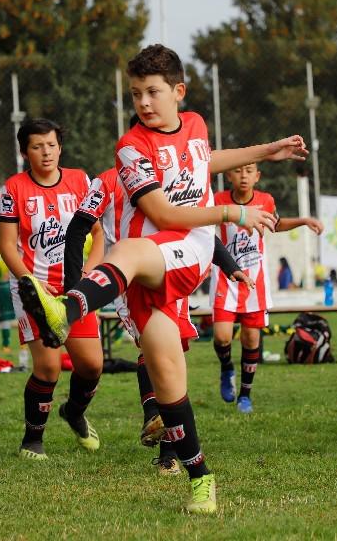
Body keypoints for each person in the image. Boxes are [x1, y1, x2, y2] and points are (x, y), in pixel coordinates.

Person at [16, 44, 308, 513]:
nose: (144, 103)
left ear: (179, 91)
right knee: (168, 381)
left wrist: (265, 151)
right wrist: (235, 209)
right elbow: (159, 210)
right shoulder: (130, 146)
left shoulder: (194, 126)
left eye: (152, 92)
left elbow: (202, 162)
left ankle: (67, 310)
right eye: (135, 95)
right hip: (140, 285)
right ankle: (201, 480)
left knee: (127, 249)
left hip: (183, 251)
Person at [62, 164, 252, 475]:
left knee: (172, 358)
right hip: (129, 280)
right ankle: (156, 421)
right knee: (156, 354)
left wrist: (229, 265)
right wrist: (75, 290)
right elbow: (78, 227)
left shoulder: (169, 179)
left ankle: (168, 451)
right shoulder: (107, 181)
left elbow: (194, 229)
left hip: (171, 272)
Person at [0, 118, 106, 462]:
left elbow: (99, 234)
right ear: (24, 151)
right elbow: (7, 245)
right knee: (48, 368)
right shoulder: (13, 188)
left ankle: (73, 412)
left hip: (77, 288)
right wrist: (29, 281)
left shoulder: (81, 181)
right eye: (36, 146)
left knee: (91, 367)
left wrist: (91, 270)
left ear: (60, 147)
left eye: (51, 145)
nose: (45, 152)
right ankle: (33, 439)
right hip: (35, 291)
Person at [210, 163, 324, 413]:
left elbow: (277, 224)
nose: (243, 176)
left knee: (252, 339)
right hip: (225, 280)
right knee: (222, 336)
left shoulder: (265, 200)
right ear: (228, 175)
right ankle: (226, 367)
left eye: (249, 171)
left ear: (257, 176)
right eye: (238, 171)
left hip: (255, 283)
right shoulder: (217, 200)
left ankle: (245, 396)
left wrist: (304, 220)